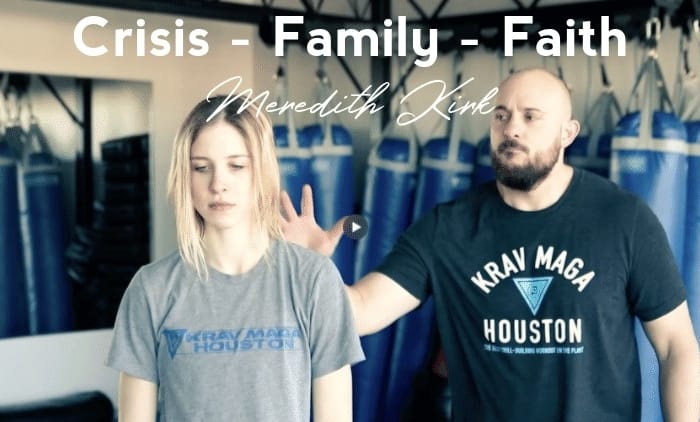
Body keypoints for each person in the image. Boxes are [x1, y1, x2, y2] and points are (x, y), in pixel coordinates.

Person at [280, 67, 700, 421]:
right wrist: (308, 265)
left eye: (531, 117)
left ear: (568, 133)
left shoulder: (623, 219)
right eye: (501, 115)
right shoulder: (449, 228)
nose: (511, 128)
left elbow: (676, 347)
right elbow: (360, 311)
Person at [106, 95, 364, 422]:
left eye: (237, 166)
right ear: (185, 177)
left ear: (262, 172)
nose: (218, 184)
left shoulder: (314, 279)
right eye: (201, 168)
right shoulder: (151, 288)